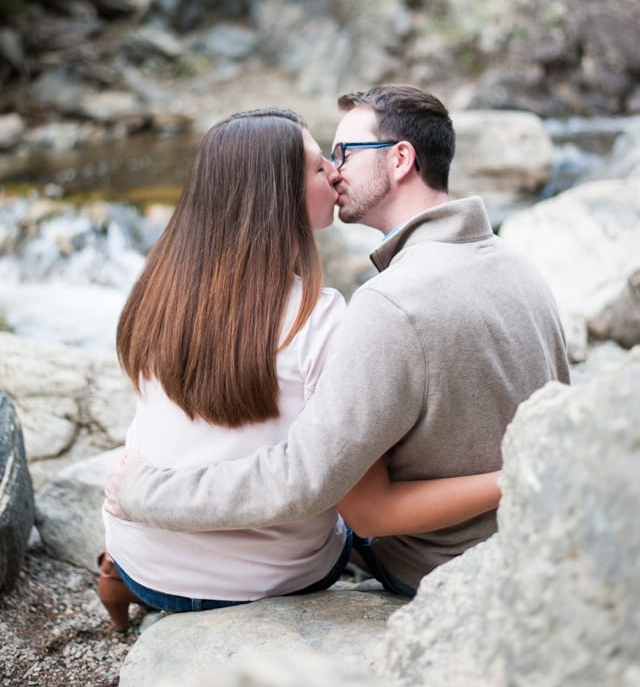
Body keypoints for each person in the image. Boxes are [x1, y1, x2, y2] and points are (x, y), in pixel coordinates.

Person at [106, 85, 570, 599]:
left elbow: (337, 495)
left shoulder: (387, 304)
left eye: (344, 152)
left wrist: (140, 489)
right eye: (326, 159)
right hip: (538, 531)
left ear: (400, 160)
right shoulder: (522, 266)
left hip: (441, 562)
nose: (335, 170)